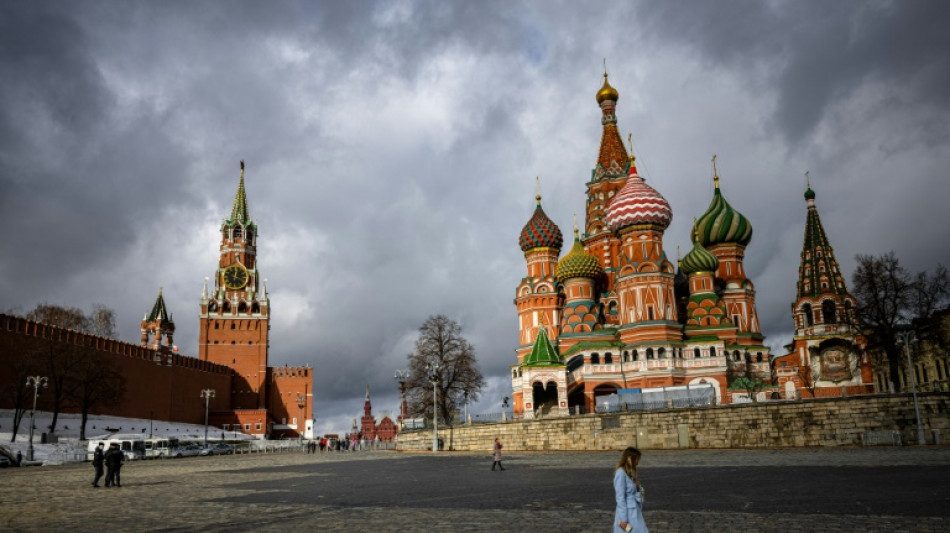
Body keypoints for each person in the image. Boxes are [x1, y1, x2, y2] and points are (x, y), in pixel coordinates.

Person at [613, 447, 648, 533]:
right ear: (628, 457)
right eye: (636, 459)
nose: (637, 463)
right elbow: (620, 498)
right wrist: (623, 519)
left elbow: (634, 494)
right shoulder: (620, 473)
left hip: (635, 512)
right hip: (628, 514)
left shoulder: (629, 473)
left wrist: (637, 487)